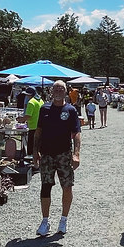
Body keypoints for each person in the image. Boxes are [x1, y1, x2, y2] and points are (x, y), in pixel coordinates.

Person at [31, 80, 81, 236]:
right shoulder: (44, 108)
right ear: (51, 91)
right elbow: (38, 132)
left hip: (64, 154)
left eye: (61, 89)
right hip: (46, 154)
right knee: (46, 186)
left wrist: (76, 154)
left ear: (66, 91)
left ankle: (63, 220)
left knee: (67, 186)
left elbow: (77, 133)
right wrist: (35, 151)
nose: (58, 91)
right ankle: (45, 221)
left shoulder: (71, 110)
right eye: (56, 88)